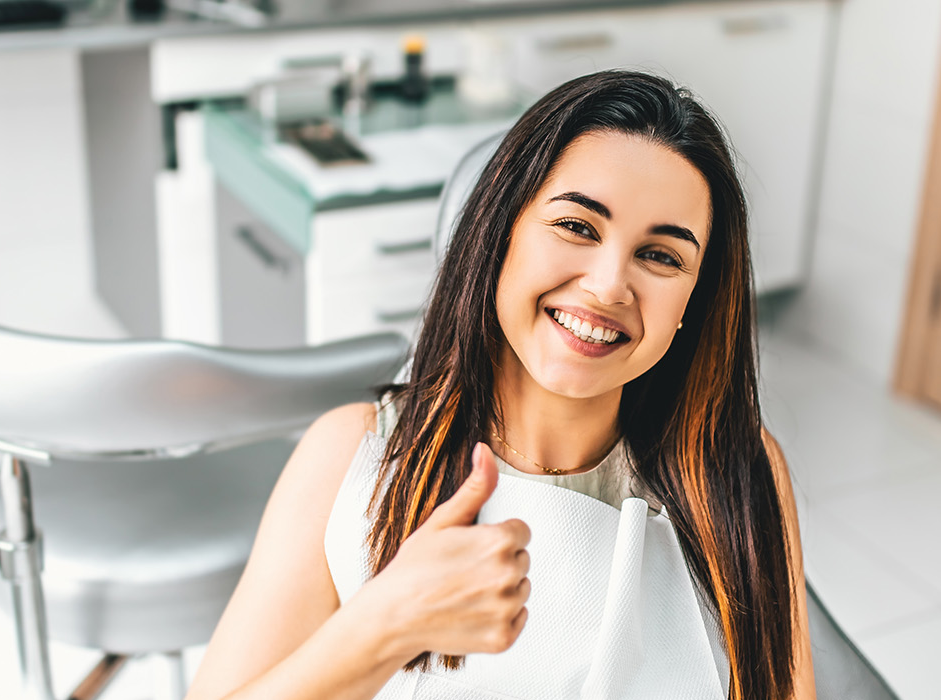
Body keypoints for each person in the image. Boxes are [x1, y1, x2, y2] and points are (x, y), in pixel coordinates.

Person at [187, 69, 815, 700]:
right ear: (500, 234)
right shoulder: (353, 455)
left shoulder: (735, 470)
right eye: (577, 226)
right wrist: (384, 626)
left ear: (692, 304)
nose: (607, 286)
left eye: (661, 256)